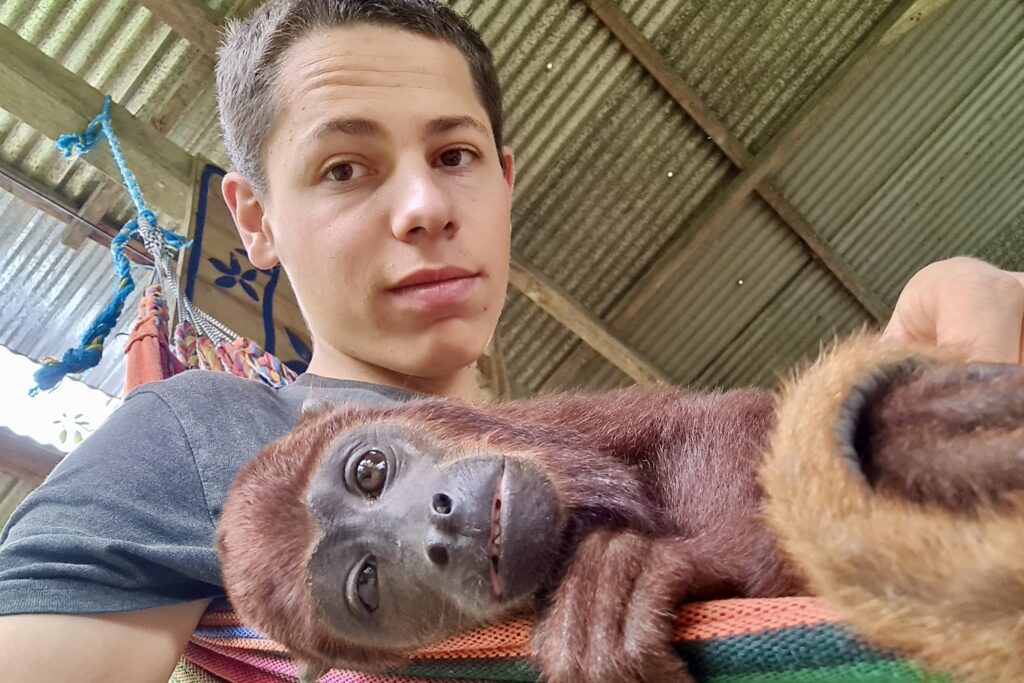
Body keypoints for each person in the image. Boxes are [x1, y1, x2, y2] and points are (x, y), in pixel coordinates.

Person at [0, 2, 1021, 681]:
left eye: (453, 153)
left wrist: (915, 361)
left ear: (504, 179)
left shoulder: (583, 435)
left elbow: (763, 475)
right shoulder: (202, 436)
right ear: (255, 220)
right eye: (345, 168)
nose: (422, 205)